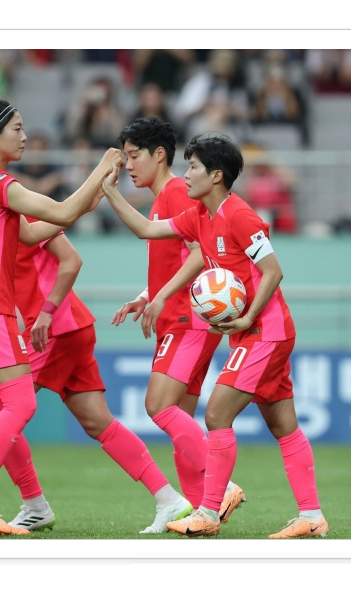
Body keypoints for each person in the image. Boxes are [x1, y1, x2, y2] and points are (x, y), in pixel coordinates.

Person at [0, 136, 191, 534]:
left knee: (1, 410)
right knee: (98, 422)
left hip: (52, 329)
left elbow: (69, 253)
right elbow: (66, 216)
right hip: (72, 326)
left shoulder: (5, 205)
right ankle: (170, 499)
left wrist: (45, 311)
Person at [101, 133, 327, 539]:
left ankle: (208, 510)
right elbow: (146, 229)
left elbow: (274, 271)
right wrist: (109, 192)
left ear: (217, 175)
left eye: (193, 167)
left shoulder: (240, 215)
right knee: (283, 426)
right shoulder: (198, 217)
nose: (186, 175)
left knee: (217, 414)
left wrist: (248, 318)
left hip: (265, 332)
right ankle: (311, 517)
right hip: (250, 334)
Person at [0, 92, 122, 535]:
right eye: (18, 129)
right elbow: (62, 209)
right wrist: (101, 167)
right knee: (20, 403)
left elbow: (29, 233)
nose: (25, 137)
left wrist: (87, 200)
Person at [111, 118, 246, 524]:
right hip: (180, 317)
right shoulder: (163, 197)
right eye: (126, 157)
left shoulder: (174, 193)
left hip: (186, 320)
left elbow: (199, 254)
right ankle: (200, 511)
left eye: (134, 156)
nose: (129, 165)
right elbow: (176, 257)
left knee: (157, 405)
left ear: (159, 155)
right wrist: (146, 296)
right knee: (180, 421)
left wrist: (163, 296)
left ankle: (222, 485)